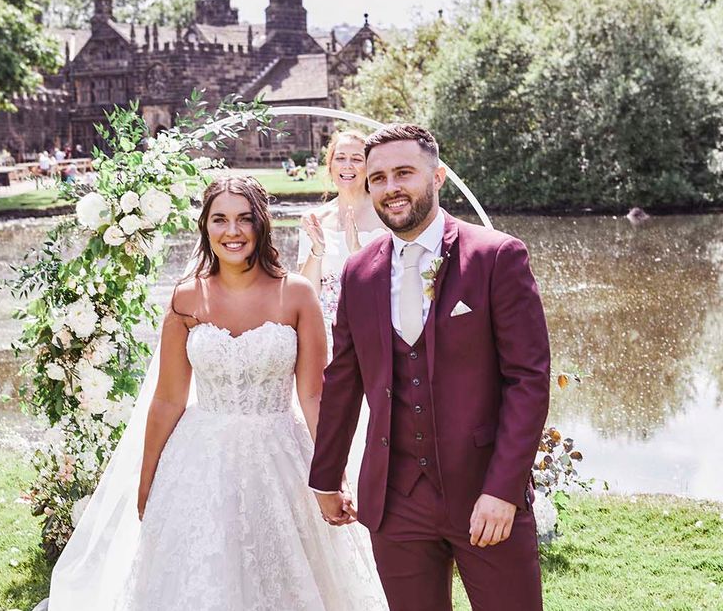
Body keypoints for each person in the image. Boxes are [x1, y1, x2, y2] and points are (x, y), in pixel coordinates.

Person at [46, 176, 386, 611]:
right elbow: (169, 398)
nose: (233, 231)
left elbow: (315, 397)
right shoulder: (186, 298)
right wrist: (148, 479)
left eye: (245, 219)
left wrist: (331, 474)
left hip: (280, 454)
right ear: (205, 227)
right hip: (198, 461)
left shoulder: (297, 295)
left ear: (262, 225)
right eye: (220, 219)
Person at [309, 124, 550, 611]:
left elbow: (528, 381)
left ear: (437, 176)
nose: (390, 187)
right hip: (395, 502)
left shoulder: (496, 256)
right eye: (378, 178)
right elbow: (343, 379)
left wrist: (503, 491)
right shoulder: (359, 272)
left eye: (404, 173)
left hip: (484, 494)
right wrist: (327, 476)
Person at [298, 129, 388, 349]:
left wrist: (358, 253)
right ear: (330, 166)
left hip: (376, 325)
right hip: (326, 334)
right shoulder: (314, 219)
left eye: (357, 159)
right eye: (340, 158)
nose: (347, 165)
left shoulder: (386, 215)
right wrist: (317, 250)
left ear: (369, 167)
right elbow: (306, 292)